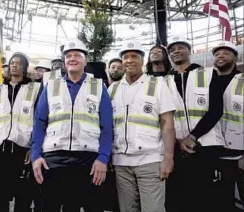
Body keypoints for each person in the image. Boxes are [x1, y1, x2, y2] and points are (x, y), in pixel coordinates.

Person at [31, 39, 113, 212]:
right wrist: (36, 155)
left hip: (88, 159)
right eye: (68, 56)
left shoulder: (98, 87)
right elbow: (39, 123)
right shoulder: (51, 86)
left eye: (77, 55)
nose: (72, 58)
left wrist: (103, 158)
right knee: (49, 206)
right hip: (54, 157)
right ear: (64, 61)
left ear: (85, 60)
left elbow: (107, 127)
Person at [108, 41, 175, 212]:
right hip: (121, 162)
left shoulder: (158, 84)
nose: (129, 60)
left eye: (134, 57)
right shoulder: (113, 89)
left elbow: (167, 124)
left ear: (143, 61)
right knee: (127, 209)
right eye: (125, 57)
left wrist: (168, 157)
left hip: (150, 160)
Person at [165, 36, 225, 212]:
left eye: (180, 47)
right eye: (172, 49)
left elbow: (216, 110)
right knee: (180, 195)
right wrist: (178, 140)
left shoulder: (207, 73)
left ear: (189, 51)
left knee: (206, 196)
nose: (176, 51)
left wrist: (192, 137)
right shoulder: (165, 81)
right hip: (177, 147)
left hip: (205, 145)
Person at [0, 52, 41, 212]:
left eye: (18, 63)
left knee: (22, 197)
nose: (14, 65)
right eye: (12, 63)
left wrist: (33, 148)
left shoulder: (35, 89)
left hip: (22, 150)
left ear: (24, 67)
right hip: (0, 148)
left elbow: (38, 120)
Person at [211, 41, 243, 211]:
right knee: (222, 202)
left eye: (226, 53)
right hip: (217, 153)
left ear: (235, 58)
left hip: (240, 154)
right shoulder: (208, 82)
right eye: (217, 54)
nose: (220, 56)